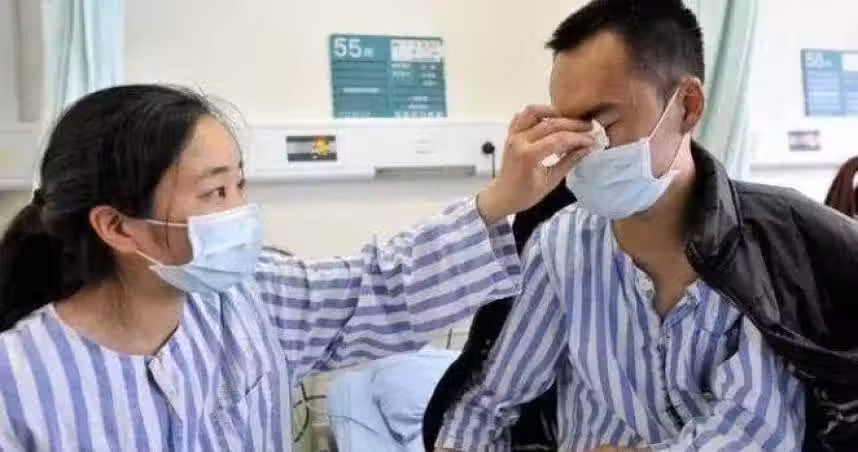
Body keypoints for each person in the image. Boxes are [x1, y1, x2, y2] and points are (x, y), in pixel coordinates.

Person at [0, 84, 597, 451]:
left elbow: (380, 287)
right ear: (116, 226)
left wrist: (502, 199)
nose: (240, 212)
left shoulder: (253, 299)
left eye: (240, 185)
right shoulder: (18, 383)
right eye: (215, 193)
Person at [435, 1, 858, 451]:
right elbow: (484, 405)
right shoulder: (561, 247)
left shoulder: (763, 251)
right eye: (570, 129)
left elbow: (756, 431)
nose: (585, 150)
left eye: (604, 124)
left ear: (688, 106)